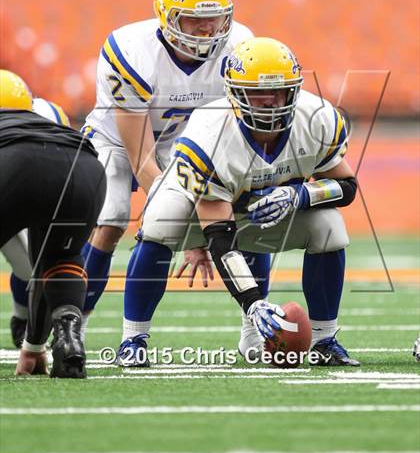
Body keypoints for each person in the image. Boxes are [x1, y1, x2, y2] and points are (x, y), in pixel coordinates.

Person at [120, 37, 360, 367]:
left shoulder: (317, 117)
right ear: (234, 93)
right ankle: (133, 338)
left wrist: (300, 195)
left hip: (264, 210)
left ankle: (325, 340)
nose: (270, 103)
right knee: (161, 219)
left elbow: (347, 186)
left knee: (330, 226)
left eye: (279, 92)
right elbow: (220, 235)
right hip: (197, 207)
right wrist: (252, 302)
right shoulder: (209, 131)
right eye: (258, 94)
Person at [81, 0, 271, 355]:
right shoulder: (130, 51)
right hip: (120, 141)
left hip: (193, 144)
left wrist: (210, 214)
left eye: (215, 19)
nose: (208, 30)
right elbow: (141, 160)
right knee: (112, 217)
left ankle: (253, 326)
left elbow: (227, 140)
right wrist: (189, 226)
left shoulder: (239, 46)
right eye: (194, 21)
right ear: (168, 16)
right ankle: (72, 323)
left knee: (249, 208)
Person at [0, 70, 106, 378]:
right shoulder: (47, 111)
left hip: (13, 164)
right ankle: (68, 333)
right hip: (83, 167)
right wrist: (32, 347)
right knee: (59, 260)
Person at [2, 96, 71, 348]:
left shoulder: (48, 113)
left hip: (28, 193)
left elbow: (65, 154)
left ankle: (25, 320)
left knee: (35, 267)